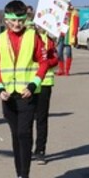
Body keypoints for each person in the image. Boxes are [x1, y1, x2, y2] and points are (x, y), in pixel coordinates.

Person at [0, 0, 57, 178]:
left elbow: (44, 63)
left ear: (26, 19)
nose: (17, 24)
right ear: (6, 20)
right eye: (13, 20)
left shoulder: (33, 37)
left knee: (24, 133)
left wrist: (33, 85)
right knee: (15, 136)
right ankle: (18, 176)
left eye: (20, 20)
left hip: (27, 95)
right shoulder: (0, 39)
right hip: (8, 96)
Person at [32, 25, 58, 163]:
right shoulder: (29, 37)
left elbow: (55, 60)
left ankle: (40, 150)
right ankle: (26, 148)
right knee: (26, 119)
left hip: (44, 83)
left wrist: (45, 62)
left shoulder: (49, 40)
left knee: (41, 118)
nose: (40, 27)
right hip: (27, 82)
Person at [58, 5, 79, 75]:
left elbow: (76, 25)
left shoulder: (74, 13)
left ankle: (67, 70)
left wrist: (74, 35)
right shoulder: (62, 12)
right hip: (61, 35)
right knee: (59, 52)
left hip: (68, 36)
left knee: (68, 53)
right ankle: (61, 70)